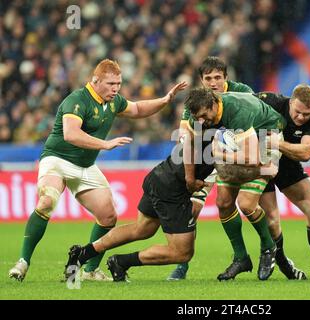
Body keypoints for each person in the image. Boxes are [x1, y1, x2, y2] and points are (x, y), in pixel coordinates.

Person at [8, 59, 187, 282]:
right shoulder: (77, 100)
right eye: (111, 83)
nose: (116, 88)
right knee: (47, 202)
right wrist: (105, 144)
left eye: (119, 84)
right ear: (95, 80)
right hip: (57, 160)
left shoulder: (113, 102)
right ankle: (23, 262)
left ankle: (90, 270)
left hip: (85, 166)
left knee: (108, 216)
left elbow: (138, 108)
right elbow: (71, 134)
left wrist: (165, 100)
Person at [63, 142, 214, 282]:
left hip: (159, 176)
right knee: (182, 252)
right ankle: (121, 263)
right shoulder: (223, 134)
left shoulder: (202, 128)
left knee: (142, 228)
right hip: (172, 189)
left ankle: (83, 253)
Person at [185, 88, 285, 281]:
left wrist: (218, 154)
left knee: (246, 203)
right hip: (236, 143)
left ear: (214, 104)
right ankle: (241, 258)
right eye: (198, 118)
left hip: (267, 137)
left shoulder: (238, 111)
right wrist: (189, 178)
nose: (202, 122)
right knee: (223, 202)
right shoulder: (198, 115)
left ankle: (268, 246)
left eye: (205, 116)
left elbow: (253, 158)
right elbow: (189, 143)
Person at [168, 56, 254, 280]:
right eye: (208, 78)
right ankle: (182, 264)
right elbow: (184, 138)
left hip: (240, 156)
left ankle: (271, 253)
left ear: (226, 78)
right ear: (201, 80)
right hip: (207, 159)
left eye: (218, 77)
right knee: (193, 210)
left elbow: (256, 122)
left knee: (258, 205)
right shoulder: (195, 101)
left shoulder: (241, 91)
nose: (213, 82)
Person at [256, 86, 310, 280]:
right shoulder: (270, 101)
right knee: (271, 219)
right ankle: (283, 263)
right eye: (297, 112)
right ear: (290, 102)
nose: (301, 117)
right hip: (260, 163)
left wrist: (276, 143)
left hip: (287, 164)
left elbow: (306, 153)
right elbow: (242, 107)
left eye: (306, 114)